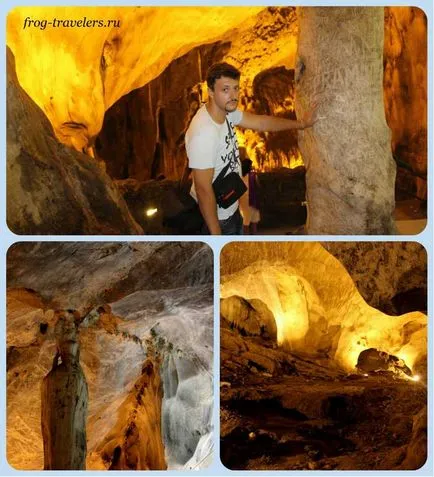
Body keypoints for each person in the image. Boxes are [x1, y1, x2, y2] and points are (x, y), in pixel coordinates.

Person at [185, 62, 317, 235]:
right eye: (225, 90)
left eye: (235, 89)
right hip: (218, 218)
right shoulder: (203, 133)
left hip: (230, 207)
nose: (233, 96)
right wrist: (216, 234)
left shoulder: (227, 112)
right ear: (210, 91)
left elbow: (261, 122)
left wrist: (301, 124)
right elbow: (203, 188)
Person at [240, 157, 261, 235]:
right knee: (254, 223)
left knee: (245, 223)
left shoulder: (239, 176)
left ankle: (246, 239)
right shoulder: (253, 175)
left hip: (242, 202)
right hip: (252, 201)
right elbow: (258, 186)